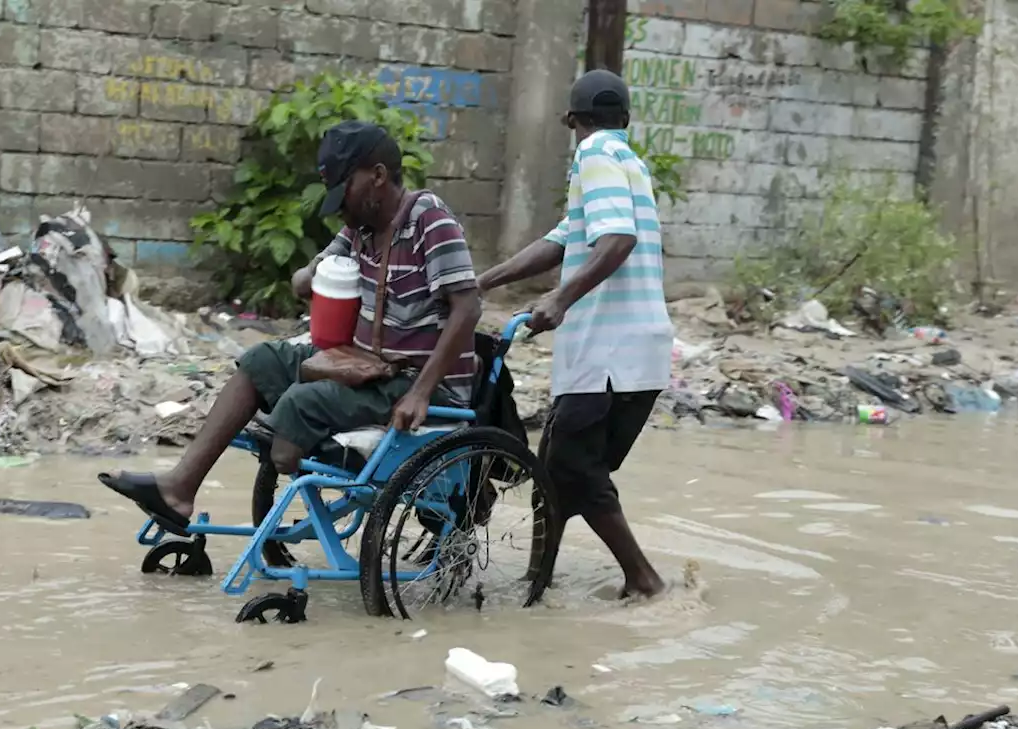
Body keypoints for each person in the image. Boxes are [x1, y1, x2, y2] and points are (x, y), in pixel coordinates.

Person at [100, 121, 483, 530]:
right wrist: (314, 273)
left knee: (302, 404)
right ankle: (179, 489)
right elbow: (303, 280)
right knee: (262, 361)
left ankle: (293, 444)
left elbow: (468, 308)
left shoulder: (429, 218)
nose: (340, 207)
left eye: (345, 191)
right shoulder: (360, 230)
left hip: (418, 378)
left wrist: (421, 394)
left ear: (378, 175)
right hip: (369, 364)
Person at [477, 69, 673, 599]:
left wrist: (560, 299)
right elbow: (565, 239)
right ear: (625, 120)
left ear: (571, 121)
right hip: (643, 354)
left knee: (573, 471)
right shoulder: (629, 163)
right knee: (560, 477)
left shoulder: (593, 157)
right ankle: (536, 582)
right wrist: (485, 282)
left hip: (606, 356)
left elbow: (617, 240)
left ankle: (643, 581)